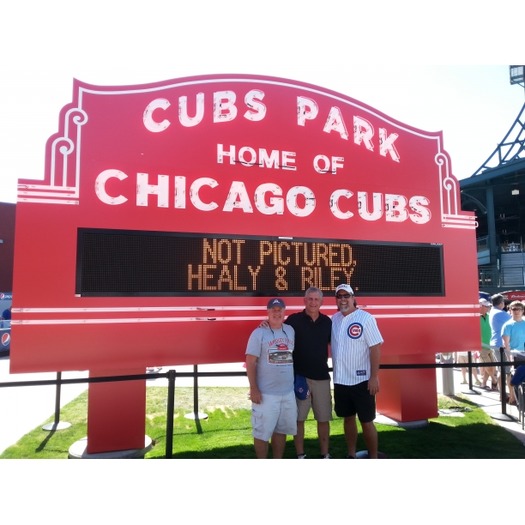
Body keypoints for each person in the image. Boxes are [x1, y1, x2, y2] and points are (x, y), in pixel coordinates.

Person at [331, 284, 383, 459]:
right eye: (339, 296)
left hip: (362, 381)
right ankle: (351, 455)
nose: (343, 299)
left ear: (354, 298)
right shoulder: (334, 319)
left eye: (347, 295)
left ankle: (373, 457)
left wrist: (374, 377)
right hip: (340, 381)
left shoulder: (366, 318)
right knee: (347, 419)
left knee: (367, 422)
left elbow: (375, 347)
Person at [245, 298, 297, 458]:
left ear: (284, 311)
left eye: (280, 309)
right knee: (262, 433)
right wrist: (254, 388)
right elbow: (250, 361)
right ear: (267, 312)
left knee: (281, 430)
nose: (277, 312)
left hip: (288, 393)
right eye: (273, 309)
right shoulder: (258, 333)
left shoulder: (290, 330)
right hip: (266, 395)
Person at [285, 287, 332, 459]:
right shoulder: (293, 320)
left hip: (321, 378)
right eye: (310, 299)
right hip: (300, 378)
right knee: (299, 419)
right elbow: (279, 333)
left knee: (323, 418)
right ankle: (300, 455)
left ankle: (325, 454)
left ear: (321, 302)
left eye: (316, 299)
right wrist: (265, 324)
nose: (313, 302)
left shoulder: (328, 322)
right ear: (304, 301)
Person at [502, 300, 525, 406]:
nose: (517, 311)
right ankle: (517, 400)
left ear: (522, 311)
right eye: (514, 309)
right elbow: (506, 344)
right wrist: (510, 359)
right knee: (515, 379)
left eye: (519, 309)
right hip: (516, 355)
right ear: (510, 310)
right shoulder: (508, 325)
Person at [489, 293, 511, 402]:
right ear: (501, 303)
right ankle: (511, 397)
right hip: (502, 344)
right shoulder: (501, 314)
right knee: (507, 371)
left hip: (495, 343)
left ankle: (502, 394)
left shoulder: (492, 312)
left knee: (501, 370)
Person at [479, 298, 498, 390]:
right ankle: (495, 381)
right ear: (480, 306)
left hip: (491, 345)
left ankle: (483, 384)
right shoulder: (474, 317)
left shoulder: (490, 316)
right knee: (488, 366)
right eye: (486, 306)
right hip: (481, 347)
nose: (488, 308)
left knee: (491, 367)